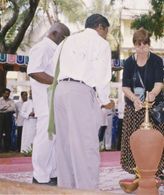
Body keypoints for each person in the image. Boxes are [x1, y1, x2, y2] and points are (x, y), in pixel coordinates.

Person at [53, 14, 114, 190]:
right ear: (100, 27)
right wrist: (105, 99)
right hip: (79, 91)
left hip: (60, 91)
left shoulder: (67, 41)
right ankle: (87, 191)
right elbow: (102, 74)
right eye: (106, 31)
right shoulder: (100, 43)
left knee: (64, 145)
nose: (105, 35)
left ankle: (66, 190)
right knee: (85, 145)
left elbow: (53, 67)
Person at [121, 27, 164, 180]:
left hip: (154, 107)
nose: (141, 47)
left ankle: (158, 170)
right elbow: (125, 87)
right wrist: (134, 99)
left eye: (144, 44)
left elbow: (158, 83)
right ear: (134, 45)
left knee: (157, 138)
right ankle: (137, 169)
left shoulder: (156, 60)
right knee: (135, 138)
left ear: (149, 44)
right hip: (134, 108)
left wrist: (153, 94)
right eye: (138, 44)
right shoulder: (129, 62)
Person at [27, 23, 70, 185]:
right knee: (45, 138)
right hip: (45, 102)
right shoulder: (43, 47)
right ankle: (40, 176)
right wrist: (58, 82)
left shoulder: (53, 49)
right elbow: (34, 71)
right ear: (53, 33)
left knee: (53, 138)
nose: (63, 40)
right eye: (62, 37)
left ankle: (51, 172)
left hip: (53, 101)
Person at [0, 88, 16, 152]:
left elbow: (13, 109)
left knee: (8, 133)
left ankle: (7, 148)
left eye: (8, 94)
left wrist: (3, 108)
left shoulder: (11, 101)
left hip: (8, 117)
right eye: (6, 93)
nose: (7, 95)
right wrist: (7, 106)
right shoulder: (0, 100)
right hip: (1, 117)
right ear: (3, 93)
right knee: (0, 132)